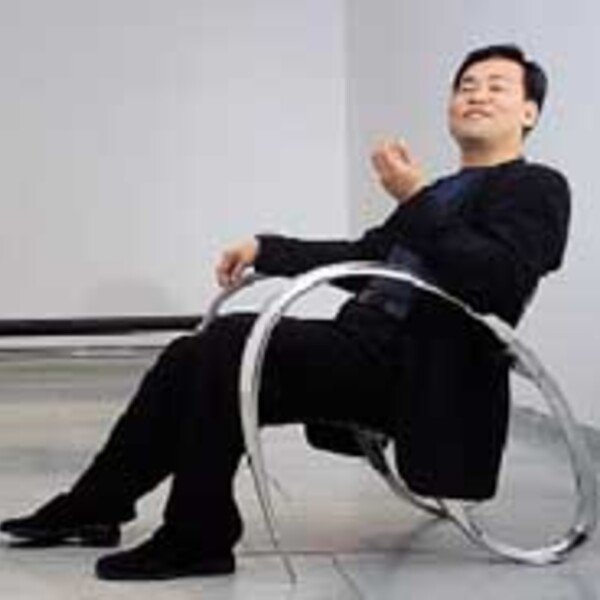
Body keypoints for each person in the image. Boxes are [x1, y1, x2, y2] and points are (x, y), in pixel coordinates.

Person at [0, 44, 570, 581]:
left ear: (529, 112)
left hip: (423, 370)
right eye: (466, 86)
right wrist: (266, 249)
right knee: (191, 357)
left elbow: (498, 278)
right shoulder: (443, 190)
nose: (476, 94)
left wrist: (415, 198)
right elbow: (366, 259)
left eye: (497, 86)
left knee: (229, 342)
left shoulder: (538, 187)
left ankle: (197, 536)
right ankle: (96, 506)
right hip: (362, 347)